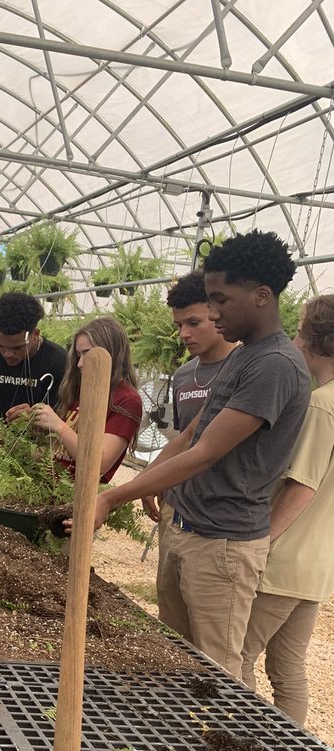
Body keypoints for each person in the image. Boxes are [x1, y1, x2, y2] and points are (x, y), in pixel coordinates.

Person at [91, 229, 311, 678]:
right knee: (174, 657)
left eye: (220, 300)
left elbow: (207, 451)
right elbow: (191, 432)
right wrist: (153, 479)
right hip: (187, 528)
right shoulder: (243, 356)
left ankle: (221, 748)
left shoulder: (276, 365)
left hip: (223, 544)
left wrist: (115, 496)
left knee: (217, 673)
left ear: (262, 296)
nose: (211, 313)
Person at [241, 296, 334, 725]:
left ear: (317, 342)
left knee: (238, 653)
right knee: (288, 669)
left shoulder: (321, 405)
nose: (294, 339)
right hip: (317, 564)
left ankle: (236, 746)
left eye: (299, 331)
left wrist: (263, 540)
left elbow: (302, 486)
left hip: (283, 560)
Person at [151, 273, 237, 546]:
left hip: (220, 521)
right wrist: (155, 481)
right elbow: (182, 437)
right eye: (179, 325)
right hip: (176, 509)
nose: (183, 334)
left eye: (194, 322)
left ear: (216, 312)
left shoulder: (243, 370)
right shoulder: (183, 375)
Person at [30, 315, 142, 484]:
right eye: (78, 355)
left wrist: (59, 426)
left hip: (79, 502)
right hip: (50, 496)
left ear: (111, 352)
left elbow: (99, 463)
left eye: (87, 354)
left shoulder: (126, 400)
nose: (80, 363)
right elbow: (58, 454)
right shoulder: (79, 390)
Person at [0, 291, 67, 425]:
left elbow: (63, 423)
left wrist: (35, 417)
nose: (7, 354)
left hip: (40, 443)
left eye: (17, 348)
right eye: (0, 345)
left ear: (35, 334)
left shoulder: (58, 362)